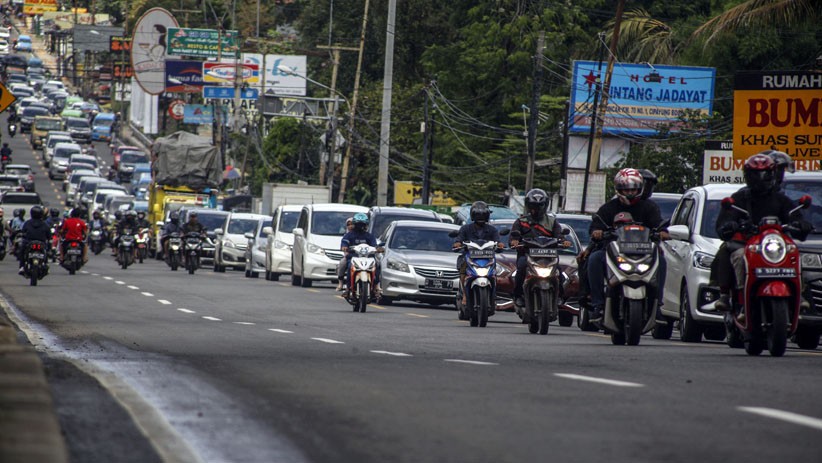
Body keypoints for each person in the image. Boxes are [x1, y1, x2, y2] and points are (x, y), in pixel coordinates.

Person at [713, 153, 812, 319]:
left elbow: (795, 216)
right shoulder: (739, 198)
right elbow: (725, 221)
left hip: (775, 246)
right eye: (756, 174)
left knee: (794, 253)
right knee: (738, 256)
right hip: (748, 244)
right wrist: (730, 225)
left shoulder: (781, 199)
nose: (761, 178)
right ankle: (740, 300)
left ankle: (800, 293)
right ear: (748, 175)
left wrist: (801, 224)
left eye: (766, 173)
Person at [587, 168, 669, 323]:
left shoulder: (649, 207)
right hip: (614, 252)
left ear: (640, 188)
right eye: (626, 189)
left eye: (633, 189)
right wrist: (597, 232)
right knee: (594, 259)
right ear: (618, 189)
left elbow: (659, 225)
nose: (630, 192)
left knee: (662, 261)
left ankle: (656, 304)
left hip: (644, 253)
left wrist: (663, 232)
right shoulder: (608, 208)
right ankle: (598, 305)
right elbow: (595, 226)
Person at [507, 190, 567, 308]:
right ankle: (518, 295)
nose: (537, 209)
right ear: (529, 206)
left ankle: (560, 296)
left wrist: (563, 241)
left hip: (549, 257)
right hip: (527, 256)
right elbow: (514, 235)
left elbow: (559, 235)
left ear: (545, 205)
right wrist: (514, 241)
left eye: (540, 206)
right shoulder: (521, 221)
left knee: (560, 273)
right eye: (534, 206)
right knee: (521, 269)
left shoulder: (552, 221)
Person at [453, 201, 505, 305]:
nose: (481, 217)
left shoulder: (492, 230)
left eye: (483, 215)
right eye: (478, 215)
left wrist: (500, 244)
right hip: (470, 257)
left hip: (487, 258)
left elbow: (498, 241)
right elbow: (458, 240)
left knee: (496, 273)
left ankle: (493, 295)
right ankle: (464, 294)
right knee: (463, 269)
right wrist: (458, 244)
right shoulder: (465, 229)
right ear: (473, 215)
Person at [338, 213, 380, 296]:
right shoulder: (349, 235)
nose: (360, 227)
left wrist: (378, 249)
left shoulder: (369, 236)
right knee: (349, 266)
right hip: (353, 257)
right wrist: (344, 247)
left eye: (362, 224)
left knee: (377, 264)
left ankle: (376, 286)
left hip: (368, 258)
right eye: (358, 224)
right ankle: (347, 288)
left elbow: (374, 245)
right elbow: (344, 242)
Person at [18, 206, 50, 274]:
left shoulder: (27, 223)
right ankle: (46, 264)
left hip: (29, 242)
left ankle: (22, 266)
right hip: (41, 243)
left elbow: (23, 231)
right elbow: (49, 235)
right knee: (47, 251)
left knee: (22, 251)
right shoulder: (44, 224)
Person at [334, 217, 355, 291]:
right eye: (348, 225)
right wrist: (345, 250)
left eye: (353, 224)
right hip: (350, 256)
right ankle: (341, 283)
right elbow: (344, 245)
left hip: (363, 257)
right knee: (342, 264)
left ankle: (376, 286)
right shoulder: (346, 236)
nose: (351, 226)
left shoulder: (363, 234)